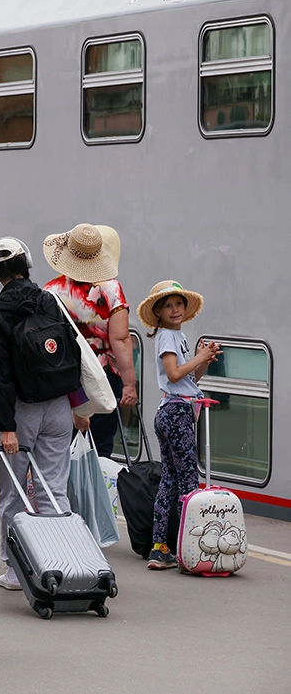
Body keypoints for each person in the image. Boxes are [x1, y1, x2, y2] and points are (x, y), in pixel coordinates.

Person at [0, 237, 82, 592]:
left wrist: (6, 428)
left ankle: (16, 569)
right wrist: (77, 405)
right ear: (26, 266)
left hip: (20, 413)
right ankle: (58, 562)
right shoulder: (49, 301)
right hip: (58, 407)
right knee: (53, 488)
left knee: (13, 495)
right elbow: (74, 353)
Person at [137, 281, 220, 569]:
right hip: (177, 414)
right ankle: (192, 548)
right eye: (168, 305)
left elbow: (188, 380)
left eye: (179, 304)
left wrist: (203, 360)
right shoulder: (168, 338)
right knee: (188, 481)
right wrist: (197, 357)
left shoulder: (174, 336)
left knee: (170, 480)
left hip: (169, 412)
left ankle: (160, 549)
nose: (175, 309)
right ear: (157, 312)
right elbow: (173, 376)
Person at [42, 223, 139, 457]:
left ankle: (65, 492)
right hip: (102, 377)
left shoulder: (50, 290)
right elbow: (121, 338)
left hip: (66, 376)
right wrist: (129, 383)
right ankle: (93, 490)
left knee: (64, 444)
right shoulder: (112, 289)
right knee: (100, 445)